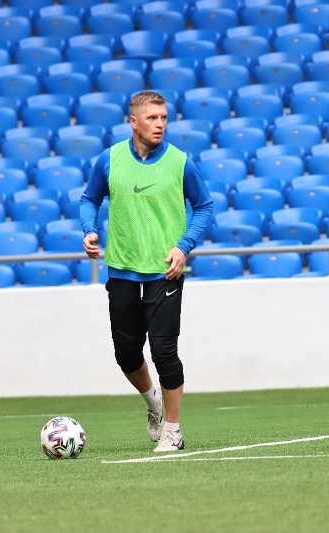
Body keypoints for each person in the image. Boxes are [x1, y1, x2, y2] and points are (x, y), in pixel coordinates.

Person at [80, 91, 213, 452]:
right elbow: (90, 199)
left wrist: (183, 247)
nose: (160, 124)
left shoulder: (180, 162)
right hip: (121, 270)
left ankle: (173, 430)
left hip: (164, 272)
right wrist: (89, 229)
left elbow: (204, 206)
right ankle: (152, 400)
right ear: (133, 122)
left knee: (164, 351)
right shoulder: (109, 159)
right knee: (126, 354)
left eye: (164, 118)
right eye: (152, 118)